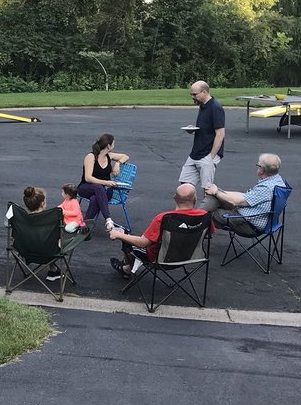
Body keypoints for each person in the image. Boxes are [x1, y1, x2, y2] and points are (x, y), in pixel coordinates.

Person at [108, 183, 211, 280]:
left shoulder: (165, 218)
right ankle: (126, 267)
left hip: (161, 259)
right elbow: (208, 234)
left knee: (127, 236)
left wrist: (119, 234)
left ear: (175, 198)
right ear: (195, 199)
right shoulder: (204, 216)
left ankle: (126, 269)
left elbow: (142, 243)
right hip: (190, 256)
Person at [204, 153, 286, 235]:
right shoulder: (278, 182)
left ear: (262, 170)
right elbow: (245, 197)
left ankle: (195, 229)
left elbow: (236, 202)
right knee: (218, 196)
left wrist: (215, 192)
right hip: (261, 220)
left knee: (208, 215)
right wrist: (218, 191)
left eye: (258, 165)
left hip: (247, 224)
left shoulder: (265, 188)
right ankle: (198, 220)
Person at [180, 80, 225, 212]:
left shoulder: (215, 107)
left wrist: (211, 157)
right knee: (185, 185)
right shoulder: (203, 105)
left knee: (208, 190)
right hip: (196, 152)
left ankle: (205, 218)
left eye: (194, 94)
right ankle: (189, 213)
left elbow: (220, 134)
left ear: (204, 92)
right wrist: (192, 129)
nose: (192, 97)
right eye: (191, 94)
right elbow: (206, 128)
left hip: (207, 154)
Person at [78, 134, 129, 231]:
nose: (114, 146)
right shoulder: (91, 157)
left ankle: (84, 228)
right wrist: (105, 182)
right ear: (108, 146)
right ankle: (108, 219)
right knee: (98, 187)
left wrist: (118, 164)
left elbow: (125, 156)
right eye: (113, 144)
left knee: (94, 199)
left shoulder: (109, 156)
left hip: (102, 191)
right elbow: (88, 178)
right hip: (87, 187)